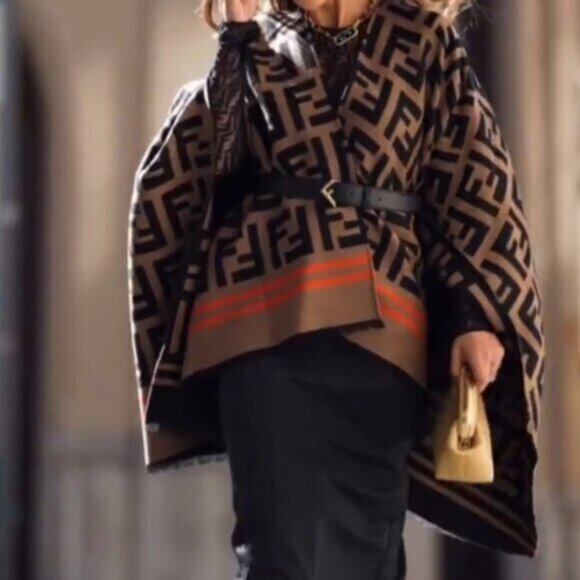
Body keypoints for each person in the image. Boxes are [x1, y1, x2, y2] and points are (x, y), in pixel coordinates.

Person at [126, 0, 546, 578]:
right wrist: (237, 40)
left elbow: (471, 181)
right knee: (278, 551)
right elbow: (211, 162)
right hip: (266, 327)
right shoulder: (257, 38)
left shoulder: (423, 40)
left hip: (385, 342)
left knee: (371, 556)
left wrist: (475, 317)